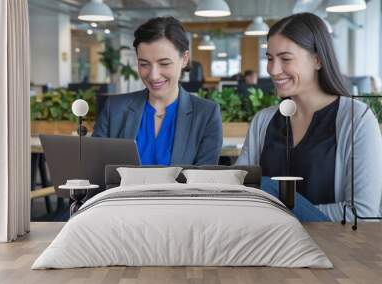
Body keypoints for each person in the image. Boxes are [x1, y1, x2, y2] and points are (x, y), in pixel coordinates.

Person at [236, 13, 382, 222]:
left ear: (317, 60)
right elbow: (239, 195)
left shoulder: (357, 119)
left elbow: (362, 213)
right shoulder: (263, 121)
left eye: (286, 59)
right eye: (269, 59)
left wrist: (275, 209)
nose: (274, 70)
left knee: (268, 186)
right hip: (268, 248)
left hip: (331, 248)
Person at [93, 17, 223, 165]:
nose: (153, 75)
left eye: (164, 63)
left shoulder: (206, 114)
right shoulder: (114, 109)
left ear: (184, 59)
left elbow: (203, 182)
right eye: (144, 64)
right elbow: (96, 169)